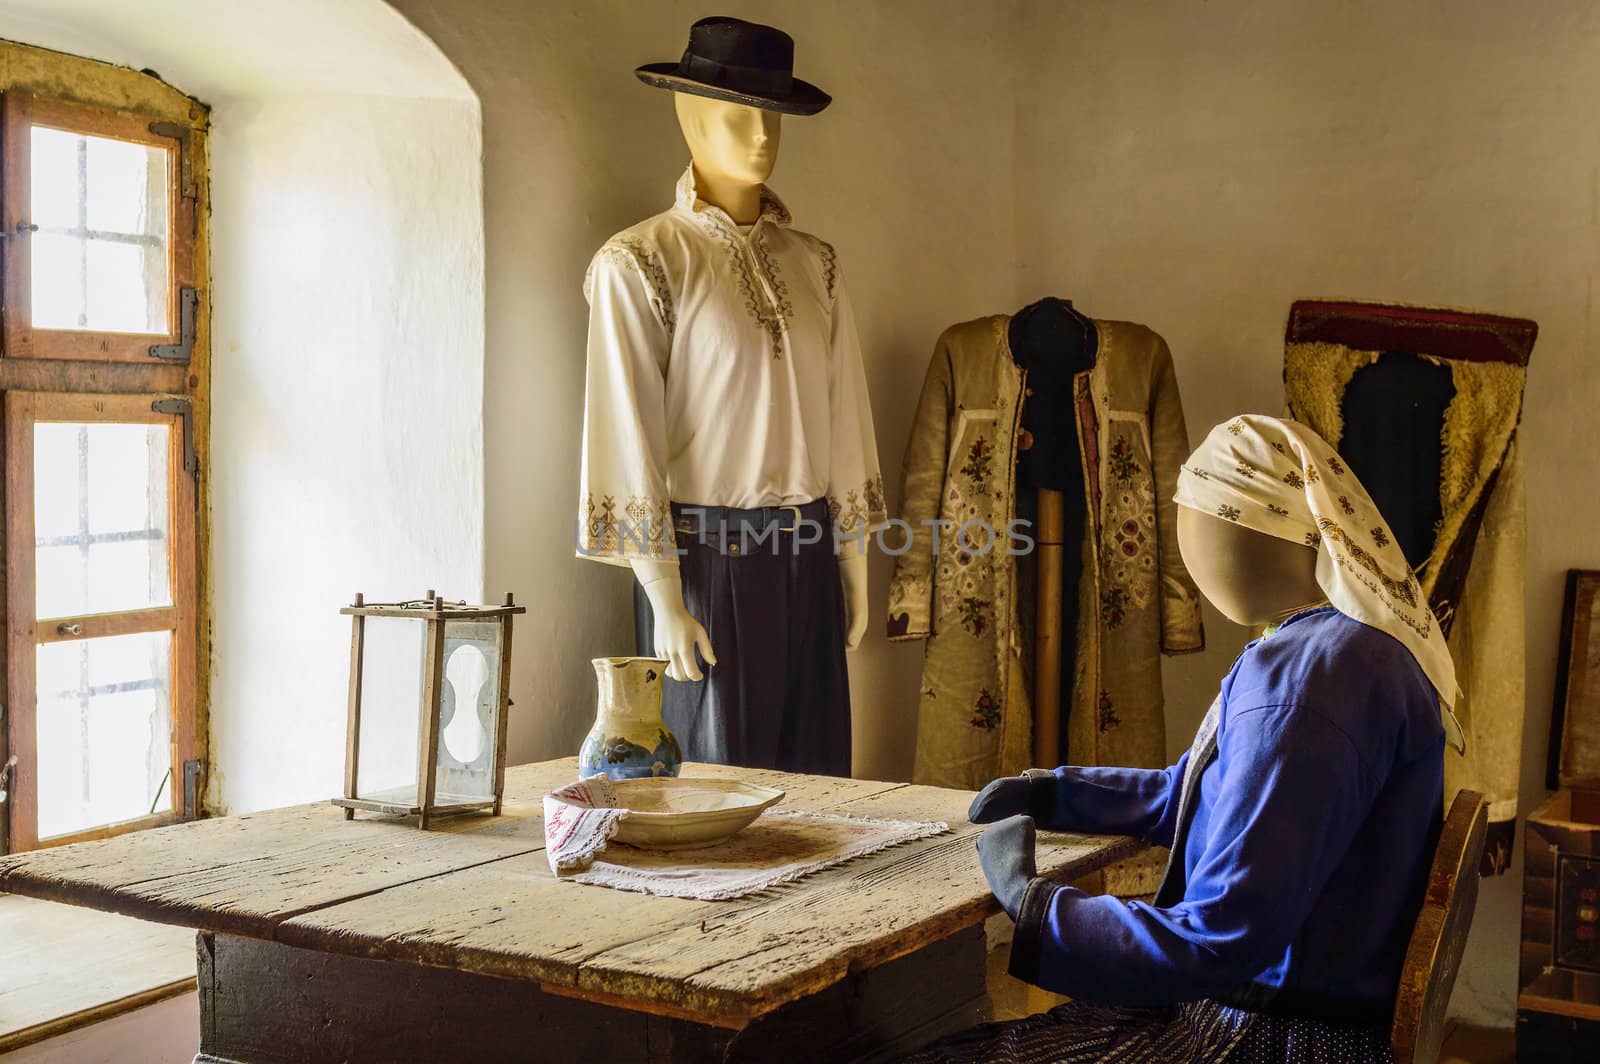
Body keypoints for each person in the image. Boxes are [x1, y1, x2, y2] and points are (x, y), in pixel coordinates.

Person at [907, 414, 1464, 1063]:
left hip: (1271, 1040)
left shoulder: (1310, 686)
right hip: (1287, 1019)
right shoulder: (1337, 653)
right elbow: (1197, 793)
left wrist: (1034, 902)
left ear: (1244, 529)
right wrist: (1057, 793)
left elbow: (1217, 940)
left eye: (1192, 519)